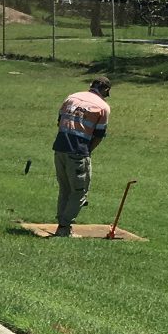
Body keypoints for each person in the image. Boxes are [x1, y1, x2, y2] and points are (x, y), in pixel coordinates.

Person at [50, 75, 112, 236]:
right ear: (105, 90)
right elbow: (98, 135)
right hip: (77, 151)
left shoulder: (71, 97)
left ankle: (61, 225)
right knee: (79, 192)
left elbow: (59, 121)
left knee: (65, 189)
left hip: (59, 148)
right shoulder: (103, 107)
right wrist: (87, 151)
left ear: (91, 85)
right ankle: (64, 227)